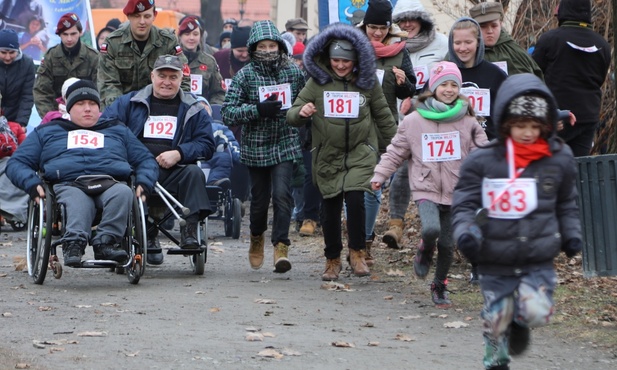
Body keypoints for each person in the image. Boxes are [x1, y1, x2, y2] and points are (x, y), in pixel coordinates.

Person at [451, 73, 582, 370]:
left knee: (537, 312)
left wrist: (571, 235)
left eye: (534, 126)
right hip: (493, 257)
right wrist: (466, 231)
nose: (527, 132)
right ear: (506, 124)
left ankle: (520, 322)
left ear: (546, 126)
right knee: (496, 319)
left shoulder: (559, 158)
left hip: (537, 257)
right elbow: (465, 203)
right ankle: (496, 359)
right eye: (520, 125)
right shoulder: (483, 160)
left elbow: (566, 203)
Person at [371, 61, 487, 306]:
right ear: (433, 88)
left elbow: (482, 154)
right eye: (443, 84)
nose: (448, 89)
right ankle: (424, 248)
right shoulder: (414, 120)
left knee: (447, 244)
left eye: (454, 85)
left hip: (457, 191)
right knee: (431, 229)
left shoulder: (468, 121)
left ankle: (439, 284)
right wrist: (380, 175)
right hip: (426, 187)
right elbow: (395, 152)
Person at [6, 80, 158, 267]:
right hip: (69, 183)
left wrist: (144, 182)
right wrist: (32, 184)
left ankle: (106, 243)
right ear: (69, 108)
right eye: (80, 104)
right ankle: (73, 244)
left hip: (110, 182)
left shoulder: (117, 130)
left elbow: (146, 160)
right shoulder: (48, 131)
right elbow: (17, 163)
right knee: (77, 198)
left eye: (92, 104)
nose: (87, 109)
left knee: (124, 193)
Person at [287, 23, 397, 279]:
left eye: (346, 61)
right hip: (328, 154)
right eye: (335, 60)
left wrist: (396, 149)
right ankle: (332, 259)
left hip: (361, 152)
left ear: (357, 59)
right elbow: (293, 113)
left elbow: (383, 116)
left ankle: (358, 253)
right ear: (328, 58)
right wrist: (301, 113)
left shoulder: (368, 83)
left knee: (357, 200)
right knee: (331, 207)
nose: (340, 65)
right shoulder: (318, 82)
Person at [101, 55, 215, 265]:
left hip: (173, 170)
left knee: (195, 173)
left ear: (181, 79)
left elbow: (207, 144)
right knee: (125, 182)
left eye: (173, 77)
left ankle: (189, 231)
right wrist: (133, 154)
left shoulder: (194, 107)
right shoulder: (129, 102)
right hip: (134, 170)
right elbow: (106, 129)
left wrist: (180, 153)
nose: (167, 82)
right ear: (152, 76)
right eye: (162, 75)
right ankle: (146, 232)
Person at [221, 20, 305, 274]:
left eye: (272, 45)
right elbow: (228, 113)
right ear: (253, 48)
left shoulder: (292, 72)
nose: (268, 50)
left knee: (282, 195)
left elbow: (305, 101)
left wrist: (301, 114)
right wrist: (257, 109)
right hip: (256, 145)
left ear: (280, 47)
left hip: (285, 141)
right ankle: (257, 236)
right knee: (259, 200)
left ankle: (281, 245)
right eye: (263, 46)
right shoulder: (245, 76)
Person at [382, 0, 449, 249]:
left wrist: (422, 100)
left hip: (434, 120)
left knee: (434, 178)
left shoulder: (442, 44)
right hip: (400, 122)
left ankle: (434, 230)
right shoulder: (391, 47)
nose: (407, 24)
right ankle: (395, 225)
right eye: (401, 20)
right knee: (399, 173)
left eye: (412, 19)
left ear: (423, 21)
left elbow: (450, 80)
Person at [449, 17, 508, 284]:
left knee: (487, 210)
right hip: (453, 152)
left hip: (489, 150)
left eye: (468, 42)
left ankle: (483, 264)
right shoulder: (445, 74)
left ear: (479, 43)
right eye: (457, 42)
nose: (462, 47)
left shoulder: (495, 75)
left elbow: (511, 107)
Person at [358, 0, 416, 262]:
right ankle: (353, 238)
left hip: (384, 127)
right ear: (364, 25)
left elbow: (411, 89)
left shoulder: (399, 51)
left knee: (374, 186)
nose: (378, 33)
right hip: (353, 125)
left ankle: (365, 241)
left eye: (382, 28)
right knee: (352, 189)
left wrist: (404, 83)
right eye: (373, 27)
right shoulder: (352, 46)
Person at [532, 0, 610, 157]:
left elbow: (534, 73)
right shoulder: (603, 44)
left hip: (557, 116)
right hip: (588, 116)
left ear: (564, 11)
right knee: (578, 167)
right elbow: (600, 79)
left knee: (549, 165)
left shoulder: (550, 39)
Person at [98, 0, 190, 109]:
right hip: (122, 108)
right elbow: (108, 85)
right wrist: (123, 111)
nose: (142, 22)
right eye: (137, 16)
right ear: (129, 16)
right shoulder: (113, 43)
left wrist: (175, 108)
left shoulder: (168, 42)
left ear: (154, 16)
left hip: (160, 109)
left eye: (147, 16)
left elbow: (183, 78)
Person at [33, 13, 99, 119]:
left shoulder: (93, 57)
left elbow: (100, 89)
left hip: (87, 114)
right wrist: (52, 117)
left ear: (80, 32)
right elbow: (41, 91)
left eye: (73, 34)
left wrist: (94, 116)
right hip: (57, 113)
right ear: (59, 34)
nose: (69, 39)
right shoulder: (51, 56)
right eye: (65, 34)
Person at [469, 1, 543, 78]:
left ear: (500, 25)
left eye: (494, 26)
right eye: (483, 26)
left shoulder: (514, 52)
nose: (490, 31)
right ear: (475, 27)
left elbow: (534, 81)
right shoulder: (466, 51)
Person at [177, 16, 226, 105]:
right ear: (180, 36)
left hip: (201, 113)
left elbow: (219, 93)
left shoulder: (209, 62)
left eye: (195, 34)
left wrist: (209, 107)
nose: (191, 38)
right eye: (187, 34)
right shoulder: (171, 59)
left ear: (200, 36)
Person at [0, 29, 34, 128]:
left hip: (15, 118)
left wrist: (21, 124)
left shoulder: (27, 63)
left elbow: (27, 96)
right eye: (3, 52)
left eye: (11, 52)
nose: (7, 57)